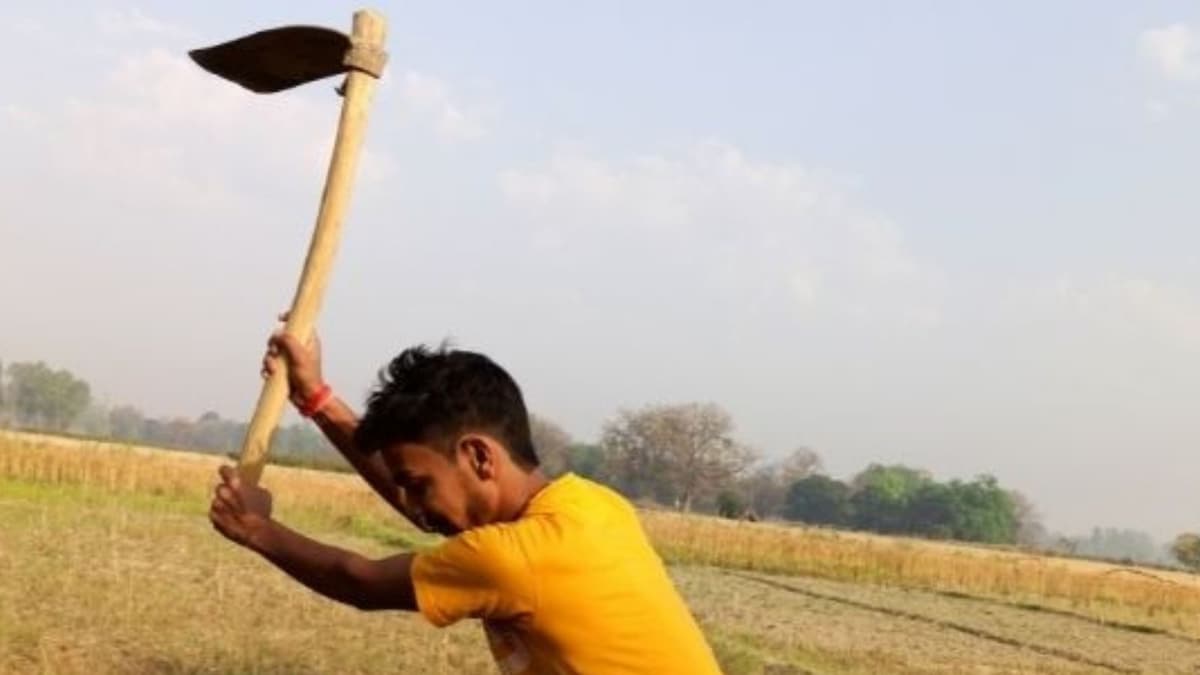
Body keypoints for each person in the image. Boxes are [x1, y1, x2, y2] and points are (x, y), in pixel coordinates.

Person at [208, 323, 722, 675]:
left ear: (479, 457)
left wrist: (258, 531)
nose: (411, 503)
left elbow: (359, 582)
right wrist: (315, 397)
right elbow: (426, 506)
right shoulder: (591, 506)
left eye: (419, 484)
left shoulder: (511, 559)